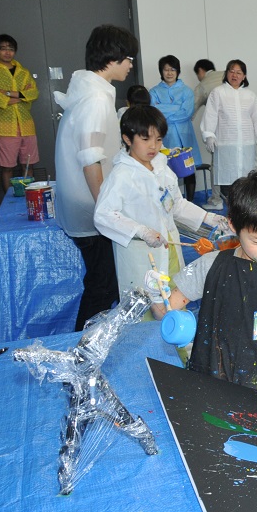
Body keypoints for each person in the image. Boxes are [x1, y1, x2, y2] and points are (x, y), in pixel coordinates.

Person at [146, 168, 257, 401]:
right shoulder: (211, 266)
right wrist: (156, 294)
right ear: (234, 226)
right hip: (214, 384)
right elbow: (163, 312)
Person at [54, 24, 139, 330]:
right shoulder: (95, 100)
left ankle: (92, 346)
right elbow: (90, 158)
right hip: (90, 207)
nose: (131, 65)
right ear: (112, 57)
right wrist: (107, 208)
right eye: (128, 58)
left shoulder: (88, 93)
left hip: (83, 202)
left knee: (104, 284)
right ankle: (82, 352)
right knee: (101, 287)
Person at [94, 104, 227, 297]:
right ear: (127, 139)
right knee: (148, 307)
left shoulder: (161, 168)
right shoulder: (121, 175)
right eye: (145, 139)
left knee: (172, 301)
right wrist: (142, 231)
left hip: (169, 247)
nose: (153, 146)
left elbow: (176, 205)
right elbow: (103, 215)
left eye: (158, 139)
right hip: (141, 256)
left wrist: (209, 218)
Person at [200, 59, 257, 200]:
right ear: (226, 74)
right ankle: (232, 212)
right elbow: (211, 114)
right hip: (226, 144)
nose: (235, 75)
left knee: (246, 181)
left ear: (244, 76)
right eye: (231, 71)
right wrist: (209, 134)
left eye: (239, 72)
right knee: (228, 182)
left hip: (246, 145)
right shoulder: (218, 92)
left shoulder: (250, 95)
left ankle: (244, 213)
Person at [0, 34, 40, 193]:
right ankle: (9, 202)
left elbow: (34, 93)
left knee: (28, 165)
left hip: (27, 125)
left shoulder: (23, 72)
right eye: (3, 49)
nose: (7, 52)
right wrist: (22, 96)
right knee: (7, 167)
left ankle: (30, 198)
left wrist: (7, 93)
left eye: (11, 49)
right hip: (5, 127)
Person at [150, 55, 201, 202]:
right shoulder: (154, 92)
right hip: (166, 136)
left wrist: (163, 110)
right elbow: (154, 112)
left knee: (188, 170)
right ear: (161, 71)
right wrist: (176, 108)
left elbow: (187, 113)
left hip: (185, 135)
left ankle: (190, 203)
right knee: (166, 171)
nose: (169, 73)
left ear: (178, 71)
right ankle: (170, 205)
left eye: (173, 69)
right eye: (166, 69)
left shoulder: (187, 91)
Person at [193, 59, 226, 211]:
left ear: (201, 71)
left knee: (217, 165)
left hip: (219, 131)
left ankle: (216, 199)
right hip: (241, 130)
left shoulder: (204, 84)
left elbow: (191, 109)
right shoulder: (228, 75)